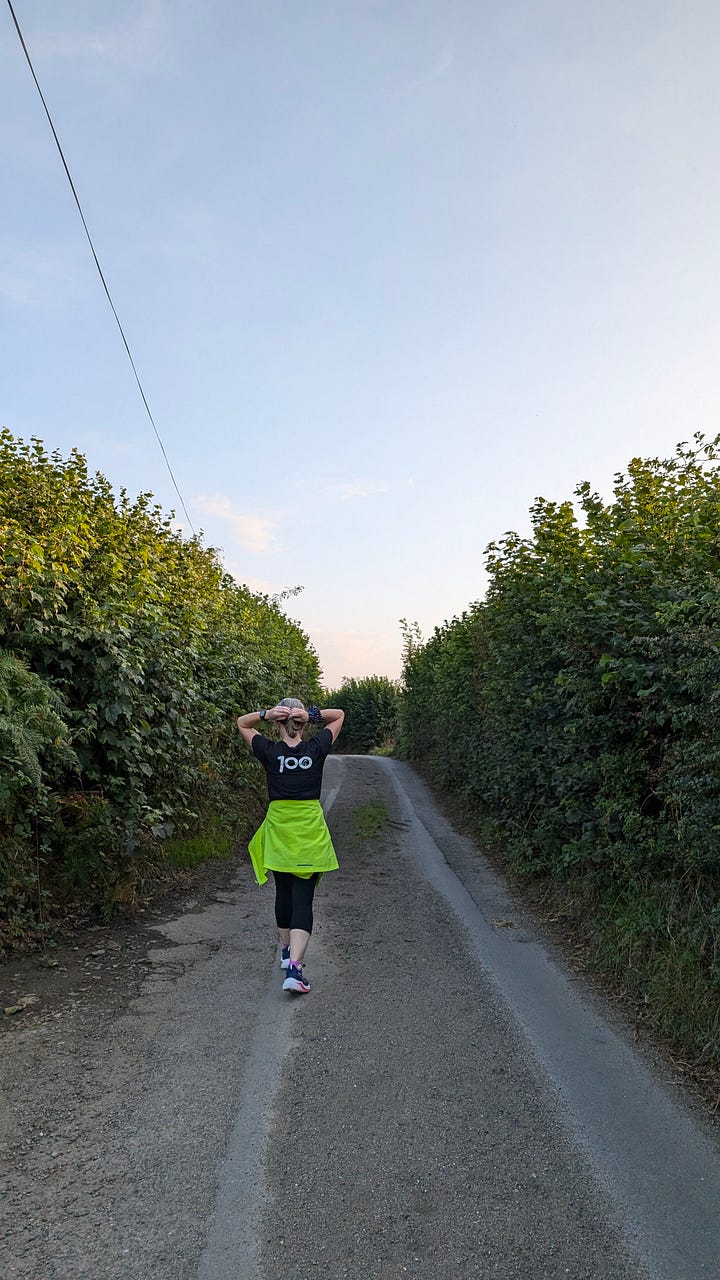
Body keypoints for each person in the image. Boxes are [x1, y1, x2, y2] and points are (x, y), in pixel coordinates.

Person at [236, 697, 344, 994]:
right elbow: (338, 715)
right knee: (303, 899)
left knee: (283, 891)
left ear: (278, 724)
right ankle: (295, 969)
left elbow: (242, 723)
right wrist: (312, 715)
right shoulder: (315, 748)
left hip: (279, 833)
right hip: (308, 834)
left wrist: (265, 714)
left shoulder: (270, 751)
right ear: (301, 723)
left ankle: (286, 952)